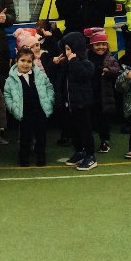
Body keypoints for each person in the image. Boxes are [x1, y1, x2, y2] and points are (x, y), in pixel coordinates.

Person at [4, 47, 55, 167]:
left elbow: (49, 87)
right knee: (24, 137)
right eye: (22, 60)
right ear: (16, 61)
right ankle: (24, 158)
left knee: (41, 136)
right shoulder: (11, 79)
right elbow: (7, 95)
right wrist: (12, 107)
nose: (26, 64)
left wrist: (49, 100)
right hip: (24, 112)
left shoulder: (40, 75)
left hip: (40, 110)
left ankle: (41, 156)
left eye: (29, 61)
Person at [55, 32, 97, 171]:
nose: (68, 52)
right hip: (70, 104)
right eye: (66, 49)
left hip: (82, 103)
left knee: (85, 129)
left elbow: (83, 75)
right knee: (74, 130)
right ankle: (80, 151)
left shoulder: (86, 63)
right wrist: (56, 63)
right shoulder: (66, 65)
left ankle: (90, 156)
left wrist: (73, 61)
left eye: (70, 49)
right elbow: (60, 81)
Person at [84, 27, 120, 154]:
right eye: (98, 44)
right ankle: (87, 142)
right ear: (92, 45)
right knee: (89, 119)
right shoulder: (86, 56)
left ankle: (104, 140)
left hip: (103, 94)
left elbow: (117, 70)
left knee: (103, 120)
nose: (101, 47)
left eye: (104, 44)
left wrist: (109, 71)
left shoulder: (109, 58)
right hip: (89, 93)